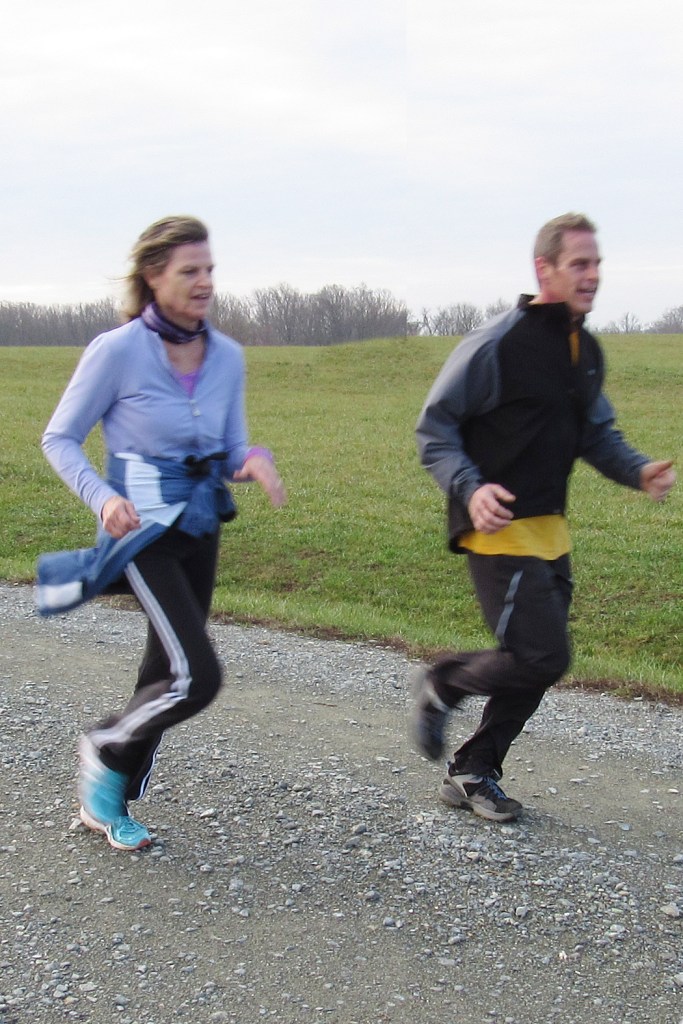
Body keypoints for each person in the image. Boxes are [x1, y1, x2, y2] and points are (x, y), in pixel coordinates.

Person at [412, 212, 676, 823]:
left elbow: (596, 434)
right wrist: (470, 488)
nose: (593, 275)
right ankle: (444, 683)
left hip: (549, 532)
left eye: (597, 263)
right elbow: (436, 429)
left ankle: (474, 770)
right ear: (544, 269)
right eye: (580, 263)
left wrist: (637, 470)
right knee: (541, 655)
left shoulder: (583, 350)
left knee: (540, 659)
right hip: (496, 528)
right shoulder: (496, 344)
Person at [38, 215, 286, 851]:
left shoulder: (227, 356)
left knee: (162, 668)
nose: (205, 283)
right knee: (195, 677)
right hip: (141, 529)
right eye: (189, 271)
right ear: (153, 277)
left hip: (202, 523)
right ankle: (106, 744)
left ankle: (105, 800)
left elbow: (230, 443)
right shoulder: (117, 351)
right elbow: (59, 438)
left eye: (209, 270)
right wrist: (101, 497)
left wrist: (250, 459)